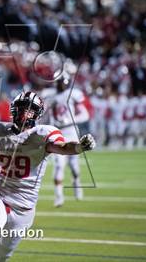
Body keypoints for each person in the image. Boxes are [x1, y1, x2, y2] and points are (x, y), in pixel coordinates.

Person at [0, 91, 96, 261]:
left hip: (25, 206)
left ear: (37, 113)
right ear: (13, 110)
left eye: (29, 110)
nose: (24, 113)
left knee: (2, 255)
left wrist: (79, 147)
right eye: (21, 109)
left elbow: (63, 147)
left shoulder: (42, 134)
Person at [50, 74, 90, 207]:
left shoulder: (73, 94)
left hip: (72, 132)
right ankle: (59, 196)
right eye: (58, 82)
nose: (60, 84)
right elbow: (48, 117)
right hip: (58, 134)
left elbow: (85, 114)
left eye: (62, 82)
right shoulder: (52, 97)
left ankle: (77, 184)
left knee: (74, 167)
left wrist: (69, 120)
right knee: (58, 166)